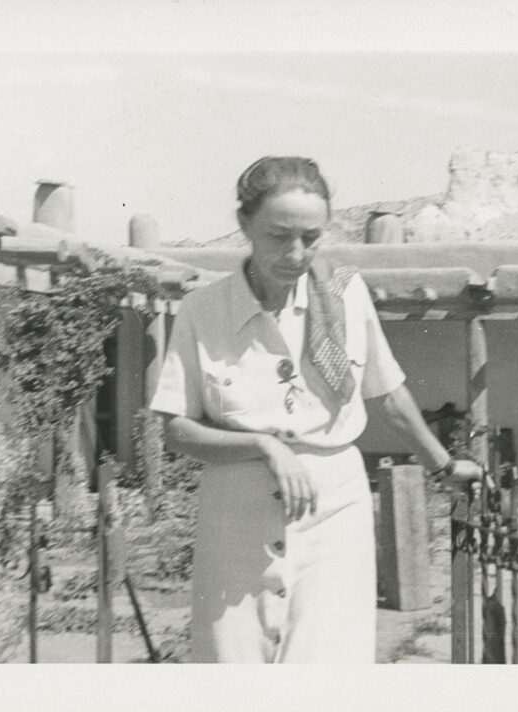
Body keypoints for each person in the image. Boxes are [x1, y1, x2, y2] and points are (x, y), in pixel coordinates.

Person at [148, 156, 484, 663]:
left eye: (311, 237)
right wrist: (264, 445)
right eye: (280, 236)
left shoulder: (345, 295)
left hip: (335, 511)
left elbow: (388, 394)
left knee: (328, 663)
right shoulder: (202, 311)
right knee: (233, 662)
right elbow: (176, 431)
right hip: (236, 516)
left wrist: (443, 465)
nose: (297, 253)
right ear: (244, 225)